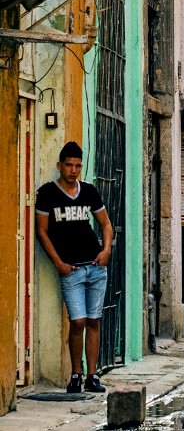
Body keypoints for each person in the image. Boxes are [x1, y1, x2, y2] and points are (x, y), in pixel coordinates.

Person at [35, 142, 114, 393]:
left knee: (94, 320)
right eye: (68, 165)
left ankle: (92, 375)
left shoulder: (89, 191)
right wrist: (58, 263)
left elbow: (106, 224)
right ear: (59, 166)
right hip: (71, 270)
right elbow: (41, 231)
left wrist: (106, 250)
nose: (73, 170)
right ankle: (75, 374)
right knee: (77, 321)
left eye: (78, 165)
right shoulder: (47, 193)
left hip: (95, 266)